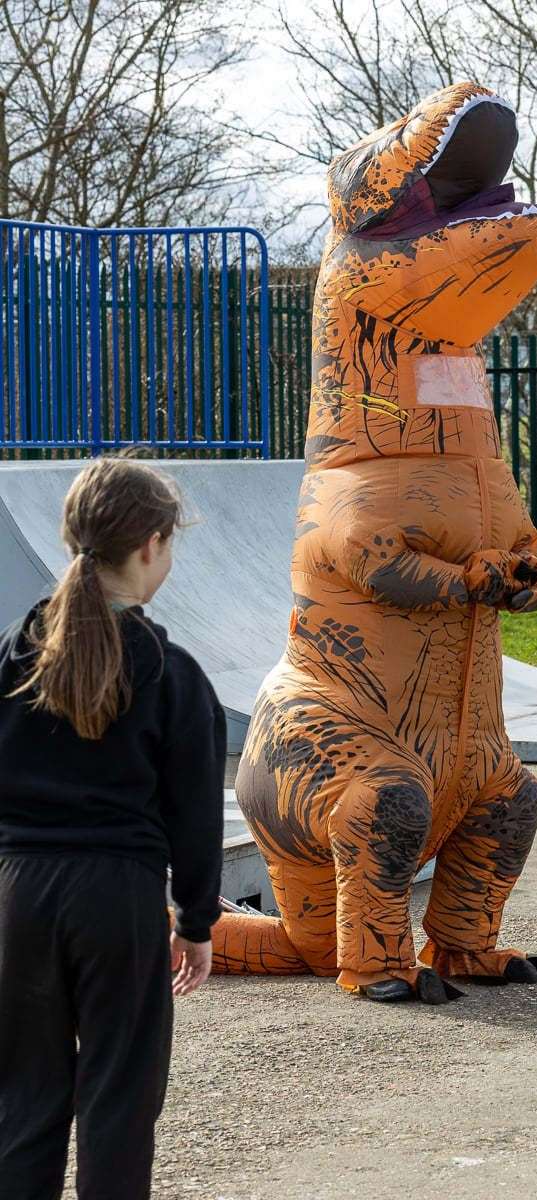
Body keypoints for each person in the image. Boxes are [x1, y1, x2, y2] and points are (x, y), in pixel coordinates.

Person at [0, 457, 226, 1200]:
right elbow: (193, 814)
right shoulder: (171, 670)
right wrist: (196, 922)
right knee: (118, 1102)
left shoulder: (13, 653)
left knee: (24, 1101)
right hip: (116, 896)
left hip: (17, 893)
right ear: (153, 545)